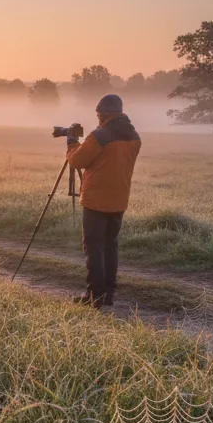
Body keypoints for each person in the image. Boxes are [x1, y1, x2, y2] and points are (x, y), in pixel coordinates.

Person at [65, 94, 142, 307]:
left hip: (96, 201)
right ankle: (108, 294)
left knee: (94, 247)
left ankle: (94, 296)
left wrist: (72, 144)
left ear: (105, 113)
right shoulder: (134, 135)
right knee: (110, 246)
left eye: (98, 113)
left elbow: (77, 161)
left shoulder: (99, 135)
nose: (97, 117)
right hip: (119, 199)